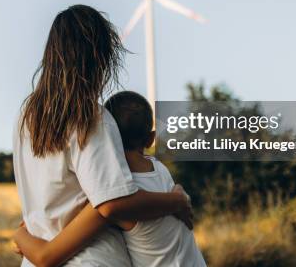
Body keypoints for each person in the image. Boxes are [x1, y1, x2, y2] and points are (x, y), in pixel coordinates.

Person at [13, 5, 193, 267]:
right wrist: (175, 200)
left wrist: (22, 236)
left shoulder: (25, 117)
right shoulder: (91, 117)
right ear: (99, 57)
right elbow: (112, 202)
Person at [14, 90, 206, 267]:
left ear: (106, 135)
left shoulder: (118, 199)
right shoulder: (160, 169)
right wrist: (180, 197)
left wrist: (21, 234)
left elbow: (48, 254)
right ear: (150, 139)